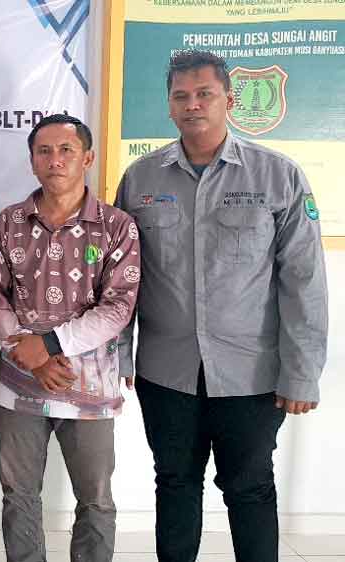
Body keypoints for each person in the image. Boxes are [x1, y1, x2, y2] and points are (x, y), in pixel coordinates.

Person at [115, 50, 328, 562]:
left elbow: (304, 282)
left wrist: (302, 373)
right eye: (181, 96)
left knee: (249, 487)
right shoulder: (140, 180)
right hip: (166, 372)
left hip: (251, 374)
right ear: (169, 106)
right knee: (175, 483)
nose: (193, 105)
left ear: (229, 100)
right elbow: (120, 280)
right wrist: (119, 355)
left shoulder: (278, 176)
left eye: (204, 94)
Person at [0, 114, 140, 562]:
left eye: (66, 150)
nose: (56, 160)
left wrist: (50, 346)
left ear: (87, 158)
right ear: (32, 161)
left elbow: (118, 308)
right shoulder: (9, 222)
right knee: (18, 495)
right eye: (44, 151)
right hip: (20, 386)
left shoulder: (117, 226)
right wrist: (33, 359)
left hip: (89, 389)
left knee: (95, 500)